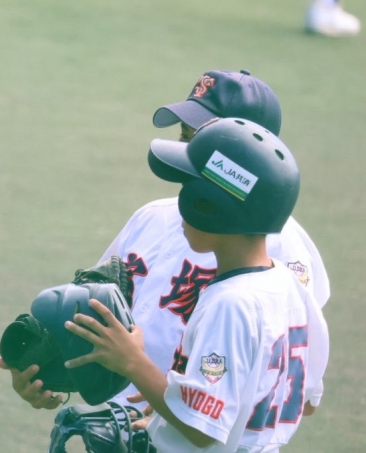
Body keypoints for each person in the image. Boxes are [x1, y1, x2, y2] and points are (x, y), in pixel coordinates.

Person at [0, 70, 330, 440]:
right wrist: (49, 367)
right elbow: (94, 318)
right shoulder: (153, 218)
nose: (187, 152)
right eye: (186, 136)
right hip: (123, 427)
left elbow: (287, 391)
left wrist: (179, 404)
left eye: (204, 139)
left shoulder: (279, 259)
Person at [64, 117, 330, 452]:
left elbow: (202, 429)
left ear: (207, 206)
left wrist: (132, 361)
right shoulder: (288, 287)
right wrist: (169, 397)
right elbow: (295, 396)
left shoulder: (231, 303)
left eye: (187, 190)